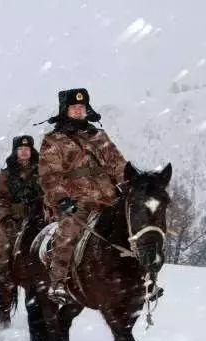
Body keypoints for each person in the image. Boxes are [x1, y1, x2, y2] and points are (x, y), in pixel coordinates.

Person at [38, 88, 127, 303]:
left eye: (82, 107)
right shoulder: (54, 140)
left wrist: (130, 185)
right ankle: (58, 282)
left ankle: (145, 280)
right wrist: (62, 199)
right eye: (74, 107)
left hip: (109, 198)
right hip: (77, 200)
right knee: (68, 231)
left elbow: (118, 164)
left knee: (136, 228)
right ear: (65, 110)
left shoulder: (99, 136)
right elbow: (49, 176)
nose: (78, 111)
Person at [0, 135, 43, 287]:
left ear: (31, 151)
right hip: (14, 218)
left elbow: (49, 191)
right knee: (4, 243)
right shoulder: (6, 174)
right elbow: (0, 199)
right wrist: (5, 217)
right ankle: (3, 274)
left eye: (26, 149)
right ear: (15, 151)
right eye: (20, 149)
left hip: (39, 216)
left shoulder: (42, 170)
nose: (24, 152)